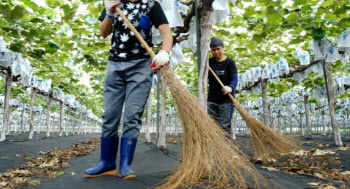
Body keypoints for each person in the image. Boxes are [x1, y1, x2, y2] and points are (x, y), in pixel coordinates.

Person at [83, 0, 173, 179]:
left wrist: (165, 52)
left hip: (141, 66)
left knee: (132, 116)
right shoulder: (115, 2)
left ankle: (125, 165)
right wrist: (109, 13)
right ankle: (106, 163)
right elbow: (103, 32)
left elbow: (167, 34)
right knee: (110, 115)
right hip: (115, 65)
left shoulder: (151, 4)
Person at [207, 37, 238, 137]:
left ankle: (225, 148)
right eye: (213, 49)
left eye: (218, 49)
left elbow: (235, 78)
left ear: (223, 48)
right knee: (211, 124)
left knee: (224, 125)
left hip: (226, 99)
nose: (216, 52)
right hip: (212, 99)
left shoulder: (230, 63)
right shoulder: (208, 63)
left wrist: (231, 87)